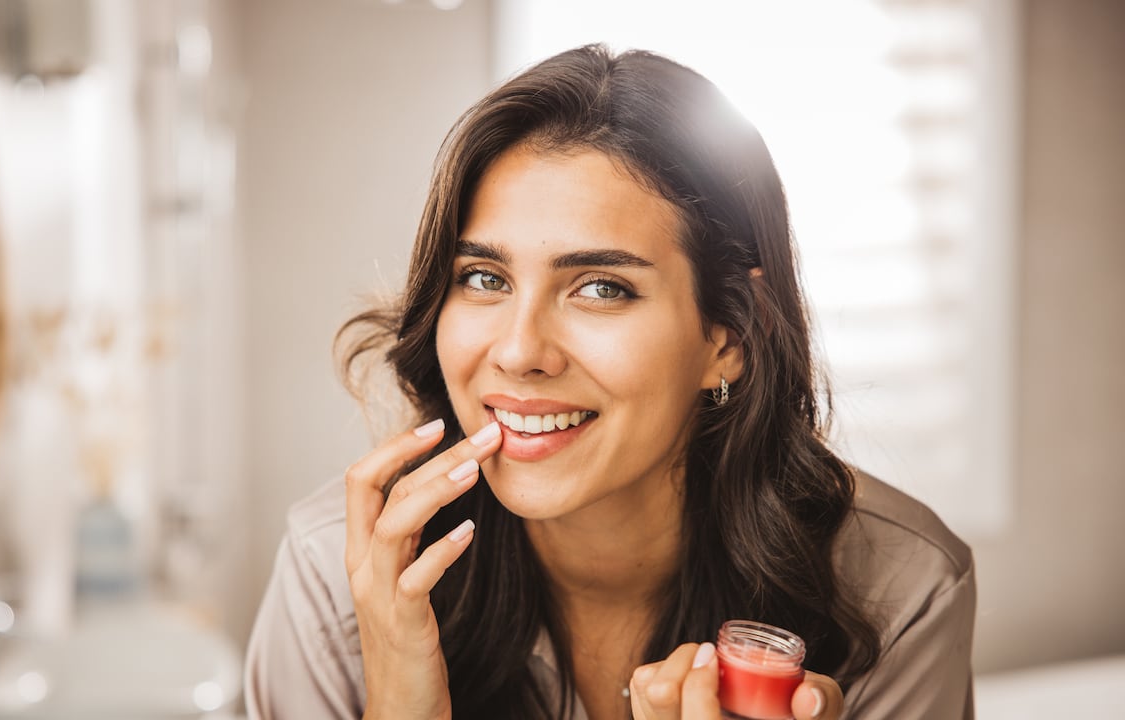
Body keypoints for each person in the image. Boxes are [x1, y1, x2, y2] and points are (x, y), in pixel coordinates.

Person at [245, 44, 975, 720]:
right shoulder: (336, 579)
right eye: (483, 278)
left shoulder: (902, 591)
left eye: (601, 288)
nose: (520, 350)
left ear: (729, 339)